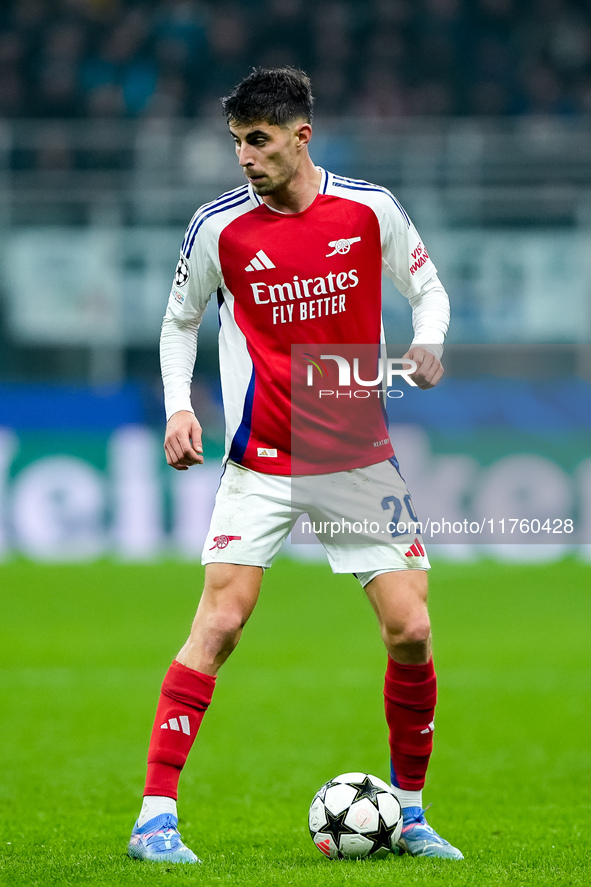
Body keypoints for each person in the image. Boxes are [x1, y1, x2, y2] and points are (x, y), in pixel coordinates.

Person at [127, 67, 463, 863]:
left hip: (353, 454)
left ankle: (409, 813)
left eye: (259, 140)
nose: (245, 157)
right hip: (261, 458)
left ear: (300, 136)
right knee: (219, 623)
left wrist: (430, 341)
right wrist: (180, 404)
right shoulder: (218, 228)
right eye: (238, 142)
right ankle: (154, 817)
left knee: (410, 628)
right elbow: (178, 321)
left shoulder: (368, 209)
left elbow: (429, 287)